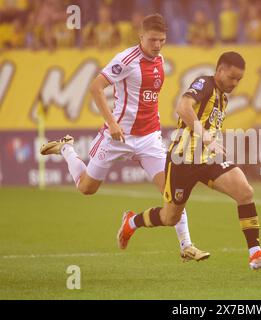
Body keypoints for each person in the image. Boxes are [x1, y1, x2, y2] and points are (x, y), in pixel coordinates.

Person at [39, 14, 210, 262]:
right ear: (141, 37)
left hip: (149, 138)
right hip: (117, 137)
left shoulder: (160, 59)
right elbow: (95, 87)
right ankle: (67, 149)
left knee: (173, 193)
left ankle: (187, 245)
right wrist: (112, 123)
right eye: (152, 40)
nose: (157, 45)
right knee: (87, 188)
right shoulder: (125, 60)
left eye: (162, 40)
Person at [118, 51, 261, 270]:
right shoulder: (205, 83)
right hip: (182, 160)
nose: (235, 83)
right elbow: (183, 107)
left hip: (206, 159)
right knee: (169, 218)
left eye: (239, 79)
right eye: (232, 77)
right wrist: (204, 136)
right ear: (220, 70)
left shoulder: (223, 96)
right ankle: (131, 222)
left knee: (245, 192)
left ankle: (255, 253)